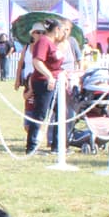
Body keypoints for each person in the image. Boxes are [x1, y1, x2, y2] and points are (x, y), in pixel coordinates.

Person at [26, 20, 63, 155]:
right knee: (40, 114)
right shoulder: (43, 41)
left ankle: (57, 145)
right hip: (44, 82)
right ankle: (31, 146)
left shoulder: (52, 44)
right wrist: (49, 76)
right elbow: (37, 61)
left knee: (60, 112)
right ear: (57, 29)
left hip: (56, 82)